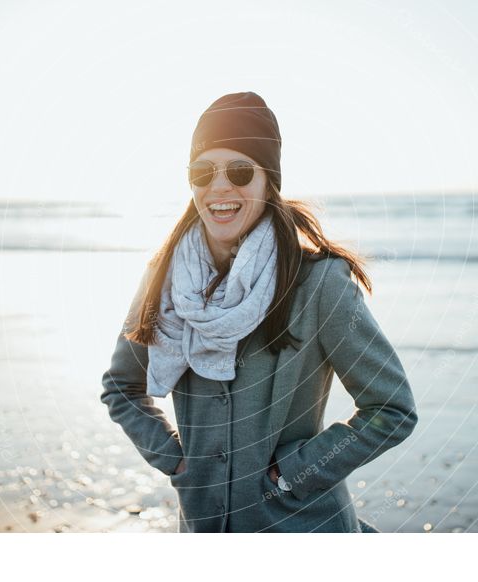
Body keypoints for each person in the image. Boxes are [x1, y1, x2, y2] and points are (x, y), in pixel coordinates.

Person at [101, 91, 417, 533]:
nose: (219, 186)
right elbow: (121, 386)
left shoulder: (319, 283)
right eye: (202, 171)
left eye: (240, 170)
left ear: (269, 180)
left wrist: (298, 470)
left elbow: (391, 408)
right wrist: (174, 458)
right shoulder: (163, 276)